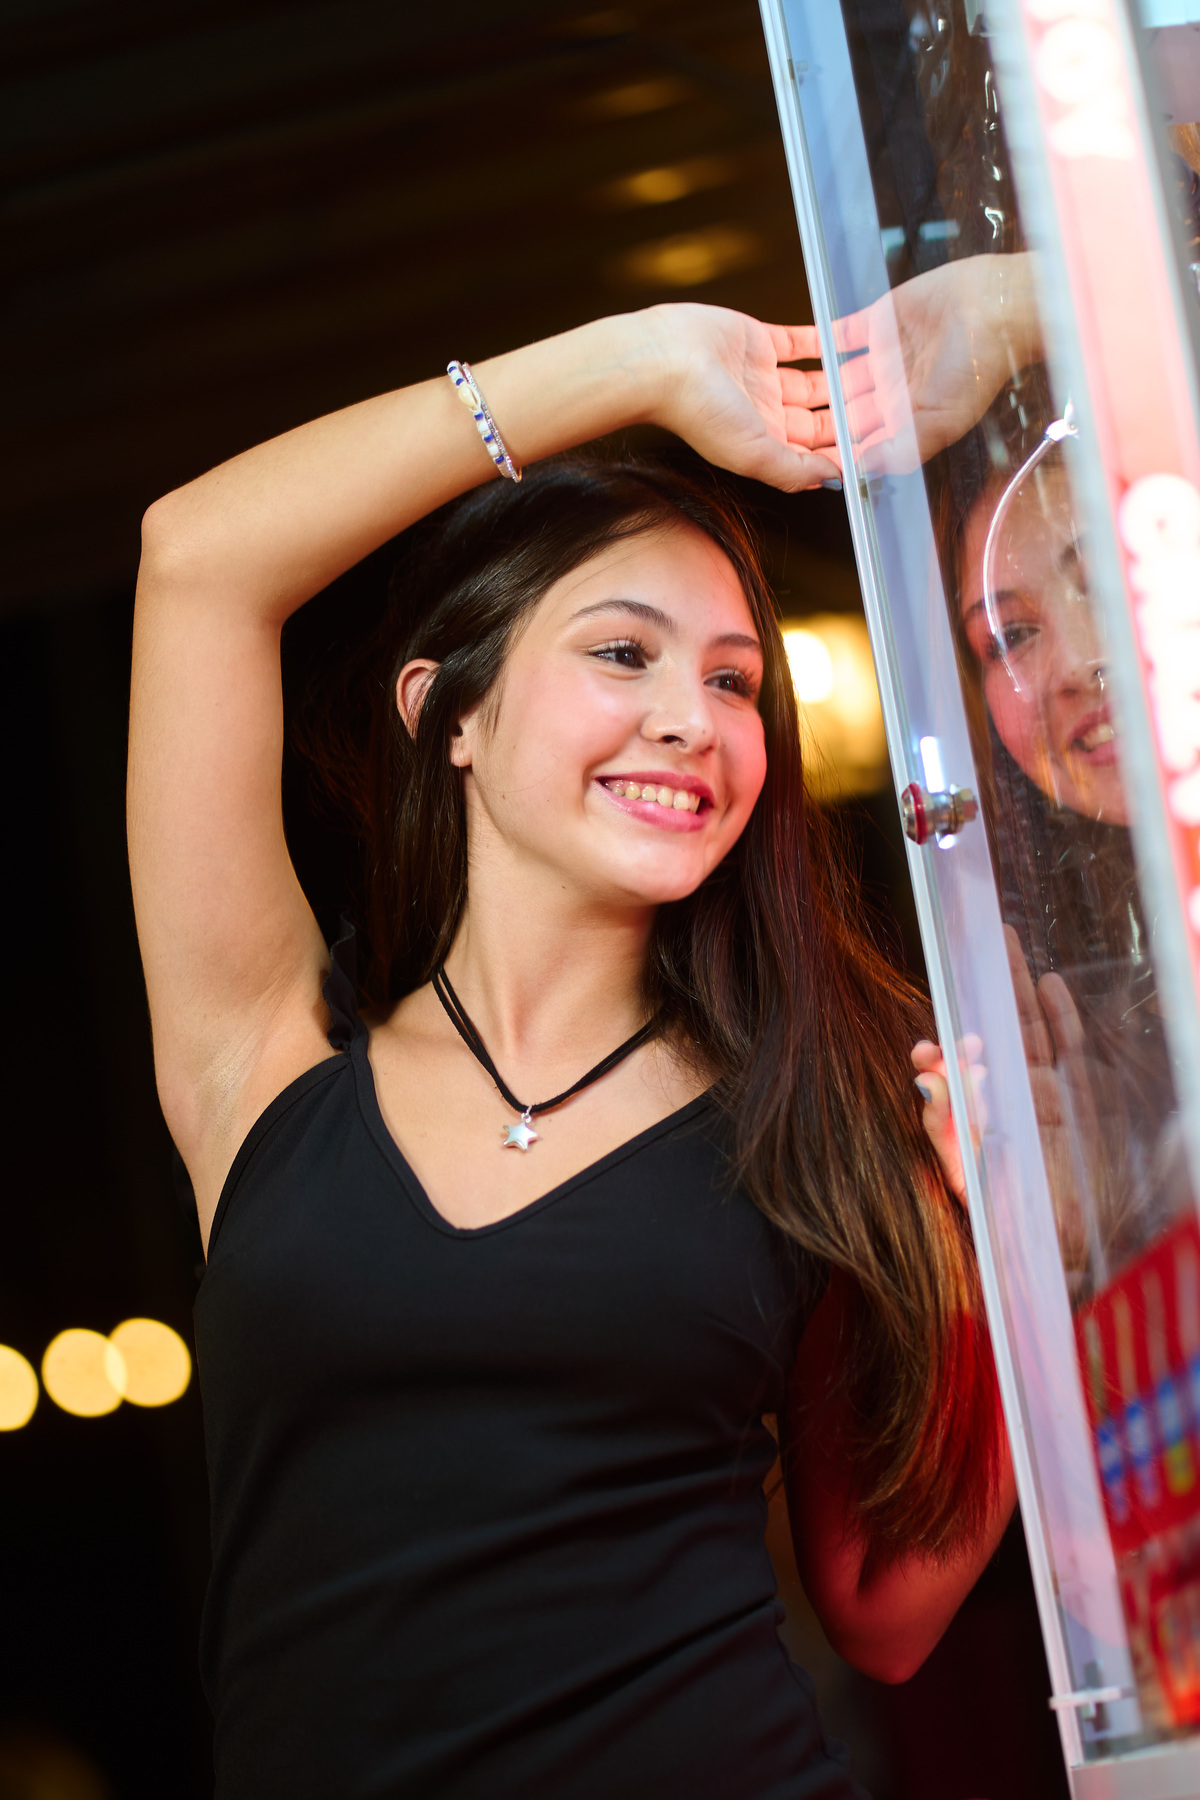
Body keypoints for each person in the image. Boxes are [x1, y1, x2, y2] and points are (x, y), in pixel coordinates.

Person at [129, 301, 1015, 1799]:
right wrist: (646, 368)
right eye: (625, 652)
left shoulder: (804, 1113)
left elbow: (889, 1618)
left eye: (736, 683)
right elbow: (198, 562)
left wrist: (992, 1266)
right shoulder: (263, 1066)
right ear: (446, 713)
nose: (692, 719)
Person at [935, 395, 1191, 1288]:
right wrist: (1087, 1246)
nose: (1081, 660)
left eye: (1114, 576)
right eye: (1011, 635)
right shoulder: (1099, 1023)